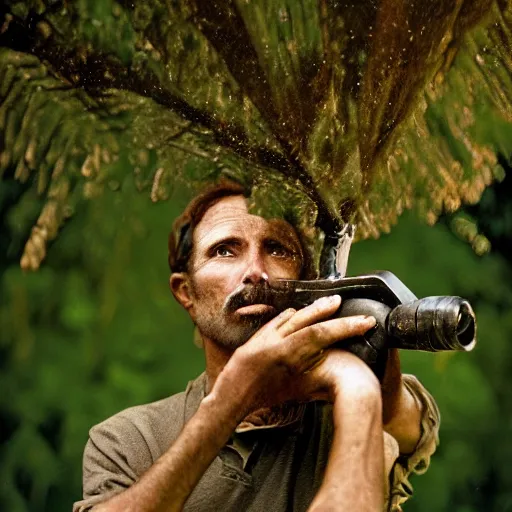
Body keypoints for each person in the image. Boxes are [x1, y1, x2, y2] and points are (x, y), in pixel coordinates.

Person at [74, 182, 440, 512]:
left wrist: (355, 380)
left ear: (305, 280)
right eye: (225, 251)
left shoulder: (344, 413)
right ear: (186, 292)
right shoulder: (128, 441)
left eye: (277, 249)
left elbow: (398, 420)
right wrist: (233, 396)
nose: (255, 271)